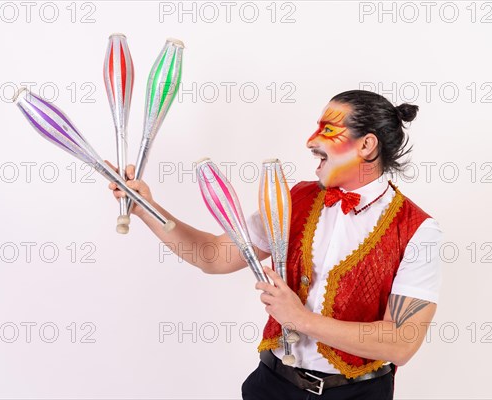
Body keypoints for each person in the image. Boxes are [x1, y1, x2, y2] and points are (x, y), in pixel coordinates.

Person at [108, 90, 442, 400]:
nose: (311, 140)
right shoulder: (292, 200)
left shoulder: (417, 230)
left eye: (328, 129)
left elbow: (401, 342)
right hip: (272, 387)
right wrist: (144, 208)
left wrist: (301, 319)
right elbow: (212, 256)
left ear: (367, 145)